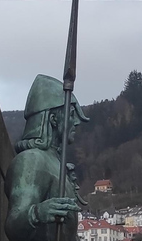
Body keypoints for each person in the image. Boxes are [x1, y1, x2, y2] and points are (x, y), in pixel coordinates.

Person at [5, 75, 90, 241]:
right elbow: (13, 225)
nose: (77, 122)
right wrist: (37, 214)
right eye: (71, 114)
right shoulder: (31, 160)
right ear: (53, 120)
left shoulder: (57, 164)